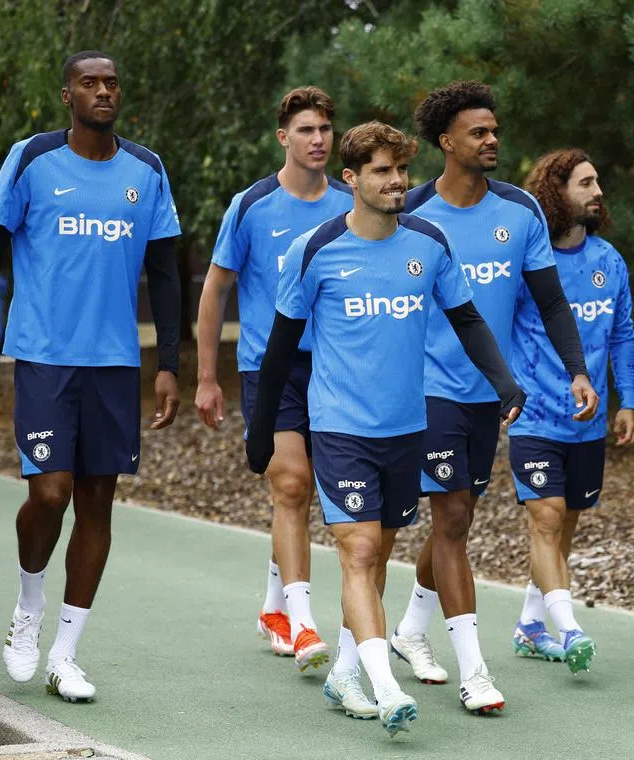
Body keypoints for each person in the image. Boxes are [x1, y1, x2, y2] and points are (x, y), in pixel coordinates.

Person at [245, 121, 526, 736]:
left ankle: (346, 672)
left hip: (407, 428)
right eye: (381, 170)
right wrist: (261, 434)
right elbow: (280, 353)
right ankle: (386, 685)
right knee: (360, 551)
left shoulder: (429, 243)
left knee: (379, 557)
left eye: (401, 169)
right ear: (351, 179)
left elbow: (469, 319)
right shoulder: (315, 251)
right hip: (340, 429)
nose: (396, 181)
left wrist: (504, 382)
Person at [0, 51, 181, 702]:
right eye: (90, 83)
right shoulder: (30, 159)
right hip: (46, 355)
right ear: (67, 96)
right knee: (50, 492)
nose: (103, 91)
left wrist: (168, 364)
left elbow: (164, 272)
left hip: (114, 362)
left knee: (98, 501)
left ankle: (66, 653)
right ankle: (29, 606)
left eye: (112, 82)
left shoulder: (148, 170)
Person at [385, 80, 598, 714]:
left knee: (456, 519)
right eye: (478, 132)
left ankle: (410, 632)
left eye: (494, 129)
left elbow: (551, 301)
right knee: (451, 519)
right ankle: (475, 670)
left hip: (488, 397)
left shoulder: (520, 212)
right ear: (446, 142)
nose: (491, 139)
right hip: (425, 391)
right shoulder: (411, 214)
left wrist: (577, 370)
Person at [195, 86, 352, 675]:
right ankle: (305, 623)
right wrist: (207, 378)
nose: (317, 140)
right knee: (291, 484)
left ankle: (273, 604)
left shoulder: (348, 203)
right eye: (306, 130)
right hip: (270, 366)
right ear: (283, 137)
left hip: (336, 367)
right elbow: (215, 289)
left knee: (309, 492)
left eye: (324, 130)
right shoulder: (252, 205)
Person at [508, 149, 634, 674]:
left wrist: (628, 398)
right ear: (556, 194)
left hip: (588, 421)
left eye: (597, 180)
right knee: (546, 518)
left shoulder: (609, 261)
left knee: (566, 526)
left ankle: (531, 624)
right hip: (534, 417)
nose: (597, 190)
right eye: (585, 182)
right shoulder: (526, 262)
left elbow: (623, 333)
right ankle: (570, 628)